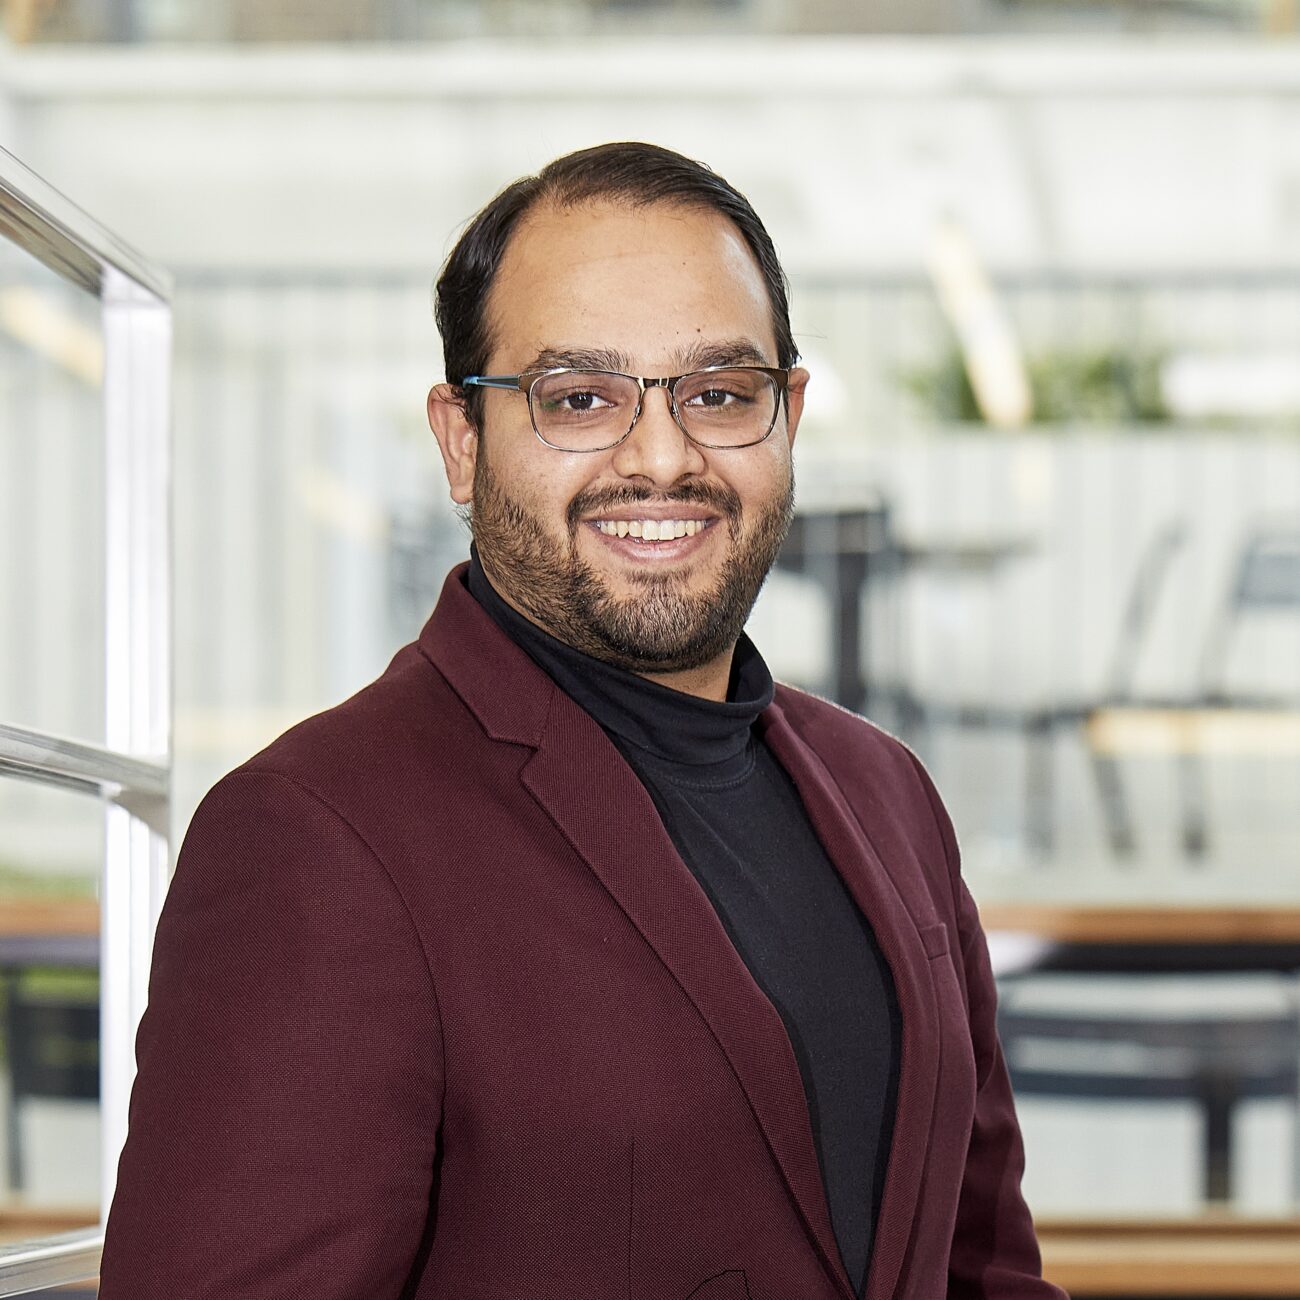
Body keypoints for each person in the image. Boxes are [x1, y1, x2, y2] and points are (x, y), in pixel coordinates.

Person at [99, 142, 1065, 1300]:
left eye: (717, 393)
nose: (661, 457)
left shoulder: (887, 792)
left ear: (787, 417)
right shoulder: (316, 833)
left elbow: (983, 1267)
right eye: (580, 399)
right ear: (462, 441)